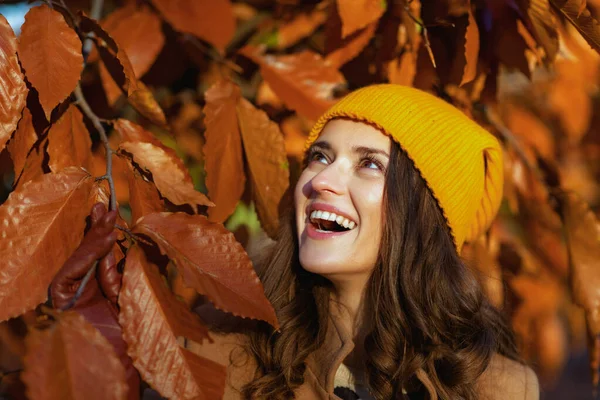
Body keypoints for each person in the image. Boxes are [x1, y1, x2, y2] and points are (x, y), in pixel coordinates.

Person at [51, 84, 539, 400]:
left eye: (369, 163)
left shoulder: (497, 388)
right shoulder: (220, 351)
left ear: (427, 220)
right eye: (321, 157)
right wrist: (100, 358)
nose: (321, 181)